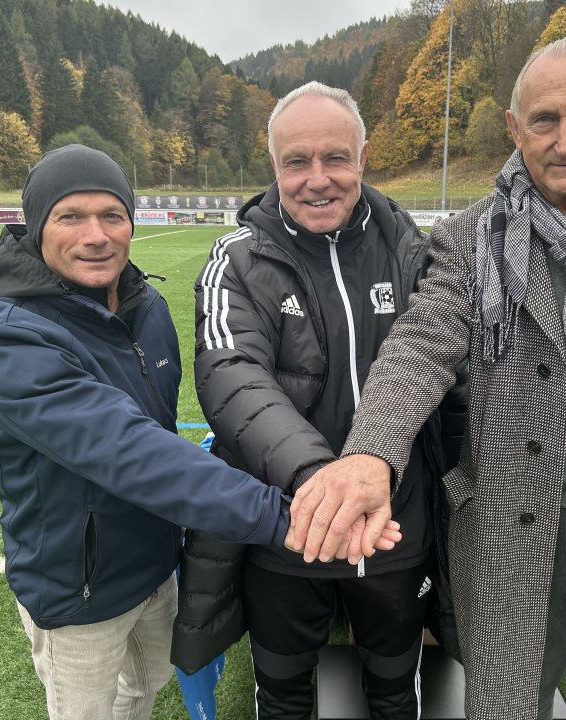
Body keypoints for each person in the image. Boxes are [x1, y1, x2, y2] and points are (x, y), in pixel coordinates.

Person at [289, 36, 566, 720]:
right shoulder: (471, 237)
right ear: (515, 128)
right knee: (513, 701)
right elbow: (422, 343)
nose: (565, 140)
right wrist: (370, 453)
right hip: (514, 518)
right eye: (544, 120)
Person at [0, 144, 297, 720]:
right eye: (71, 217)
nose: (96, 236)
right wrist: (287, 516)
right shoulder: (11, 339)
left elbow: (159, 428)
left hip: (154, 563)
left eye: (111, 215)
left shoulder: (148, 308)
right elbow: (133, 453)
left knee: (146, 685)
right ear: (38, 226)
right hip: (78, 588)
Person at [172, 81, 467, 719]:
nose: (317, 179)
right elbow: (231, 376)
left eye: (335, 158)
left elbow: (449, 362)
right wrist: (322, 485)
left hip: (396, 529)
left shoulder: (414, 251)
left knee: (395, 690)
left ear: (363, 157)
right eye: (296, 162)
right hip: (286, 529)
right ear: (273, 165)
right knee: (283, 695)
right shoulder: (237, 260)